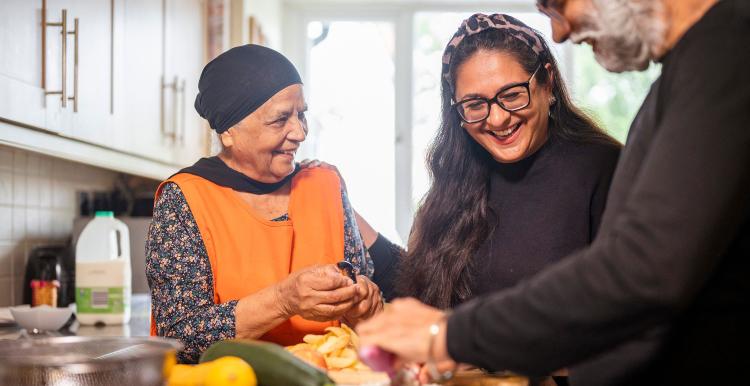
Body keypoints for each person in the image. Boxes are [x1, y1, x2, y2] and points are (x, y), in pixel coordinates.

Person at [358, 0, 750, 385]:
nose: (559, 32)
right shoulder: (692, 63)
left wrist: (450, 338)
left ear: (546, 85)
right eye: (475, 105)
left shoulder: (728, 46)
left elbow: (642, 271)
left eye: (557, 4)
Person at [146, 44, 383, 363]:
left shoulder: (326, 184)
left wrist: (365, 303)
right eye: (281, 119)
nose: (299, 132)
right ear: (229, 131)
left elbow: (365, 307)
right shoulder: (185, 199)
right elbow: (178, 336)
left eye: (302, 115)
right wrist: (285, 300)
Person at [397, 13, 620, 311]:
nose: (498, 118)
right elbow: (417, 292)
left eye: (512, 95)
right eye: (475, 104)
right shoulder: (454, 181)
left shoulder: (604, 167)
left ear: (547, 83)